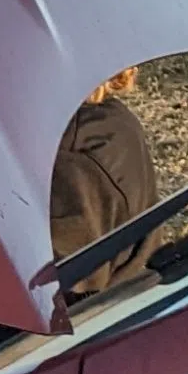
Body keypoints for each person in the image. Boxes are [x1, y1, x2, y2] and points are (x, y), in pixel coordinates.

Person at [50, 69, 161, 291]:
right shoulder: (110, 119)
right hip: (128, 301)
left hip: (96, 316)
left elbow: (60, 292)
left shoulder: (64, 155)